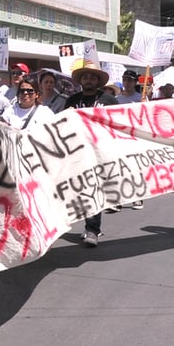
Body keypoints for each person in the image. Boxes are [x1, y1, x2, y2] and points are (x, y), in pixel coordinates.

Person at [64, 62, 121, 245]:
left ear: (98, 80)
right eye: (85, 77)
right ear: (81, 80)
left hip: (99, 151)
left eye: (92, 77)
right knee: (77, 189)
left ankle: (92, 230)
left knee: (94, 188)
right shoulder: (72, 100)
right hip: (77, 151)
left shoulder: (109, 101)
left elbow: (118, 123)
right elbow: (62, 124)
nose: (88, 80)